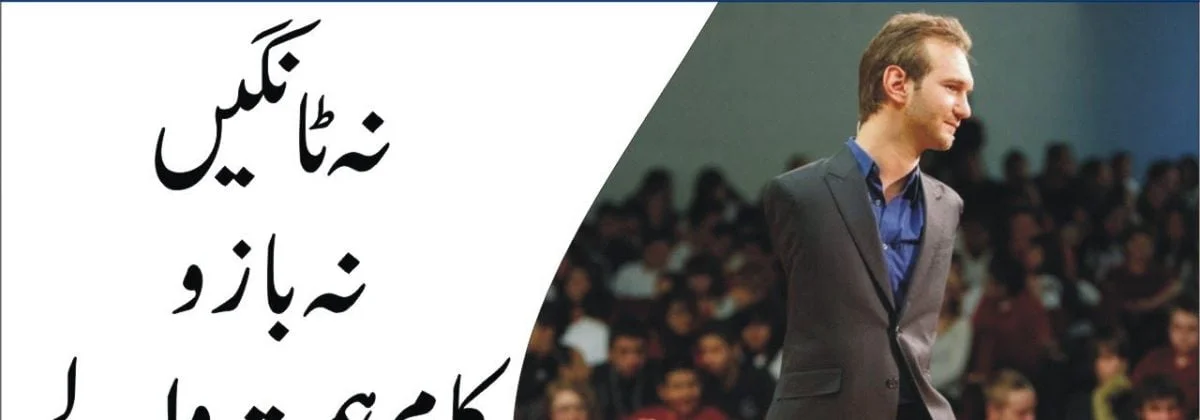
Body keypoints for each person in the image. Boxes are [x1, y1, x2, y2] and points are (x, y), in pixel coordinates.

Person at [761, 11, 971, 420]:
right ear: (897, 84)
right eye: (952, 88)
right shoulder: (798, 195)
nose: (964, 109)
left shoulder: (948, 206)